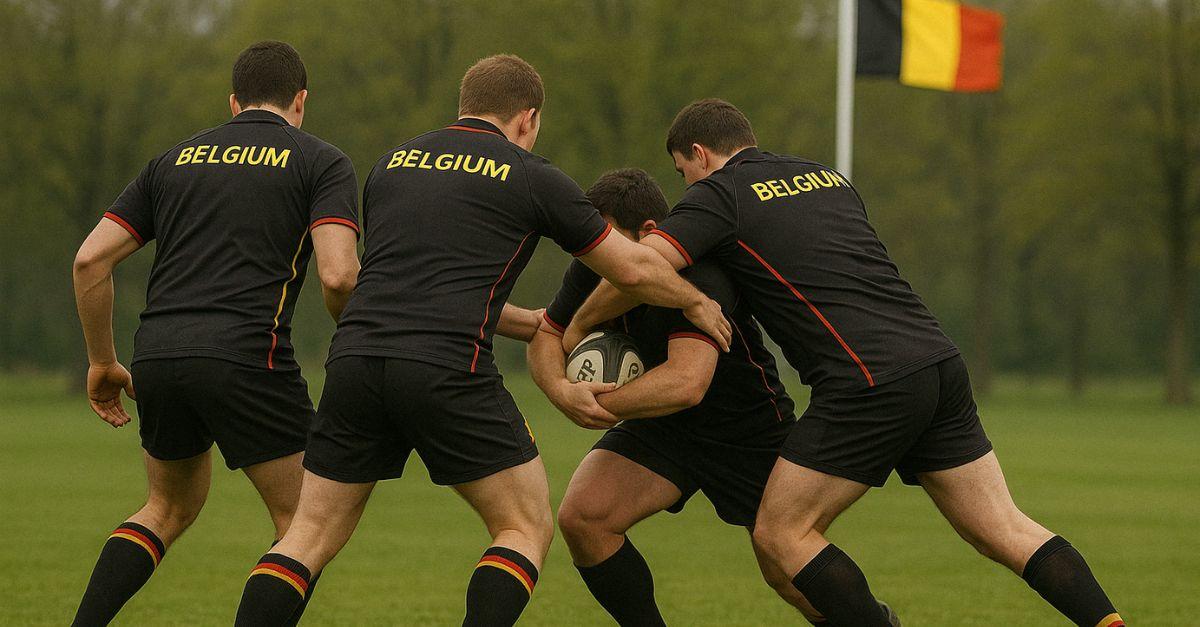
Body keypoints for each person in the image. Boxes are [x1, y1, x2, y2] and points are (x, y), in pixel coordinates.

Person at [563, 99, 1123, 627]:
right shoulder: (826, 177)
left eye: (682, 171)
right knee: (1003, 528)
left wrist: (581, 325)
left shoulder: (721, 193)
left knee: (782, 534)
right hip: (938, 362)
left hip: (866, 380)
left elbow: (637, 269)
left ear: (700, 155)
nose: (684, 188)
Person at [231, 55, 731, 627]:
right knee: (524, 526)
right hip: (446, 365)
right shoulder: (530, 173)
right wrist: (692, 300)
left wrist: (541, 323)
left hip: (355, 361)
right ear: (528, 118)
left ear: (465, 105)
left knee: (307, 536)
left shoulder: (394, 164)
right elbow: (634, 270)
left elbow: (408, 285)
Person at [69, 41, 360, 626]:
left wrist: (103, 361)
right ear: (300, 100)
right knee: (306, 525)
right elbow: (338, 274)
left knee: (167, 507)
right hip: (248, 356)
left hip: (159, 355)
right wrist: (360, 342)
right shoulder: (321, 161)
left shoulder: (172, 160)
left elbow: (89, 262)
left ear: (234, 102)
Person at [528, 168, 813, 625]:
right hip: (660, 427)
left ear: (650, 234)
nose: (600, 251)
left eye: (609, 238)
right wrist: (562, 391)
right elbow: (546, 334)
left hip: (744, 430)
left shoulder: (701, 273)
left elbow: (686, 384)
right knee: (585, 517)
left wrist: (598, 405)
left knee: (788, 571)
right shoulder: (592, 267)